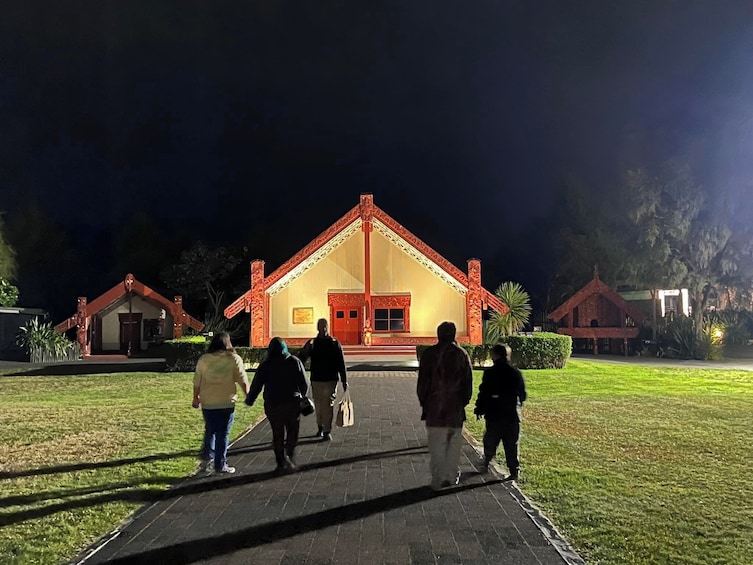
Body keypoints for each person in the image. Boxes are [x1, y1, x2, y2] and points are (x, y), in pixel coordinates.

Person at [417, 321, 473, 491]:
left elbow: (422, 384)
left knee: (436, 446)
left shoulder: (428, 355)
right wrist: (463, 402)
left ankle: (438, 476)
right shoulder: (461, 355)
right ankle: (451, 475)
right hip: (454, 408)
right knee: (453, 445)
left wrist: (424, 403)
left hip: (434, 409)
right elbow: (468, 384)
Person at [246, 337, 309, 473]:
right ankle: (290, 455)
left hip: (273, 404)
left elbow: (257, 384)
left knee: (277, 433)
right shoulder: (294, 362)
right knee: (293, 431)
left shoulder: (266, 365)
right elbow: (304, 382)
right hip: (292, 403)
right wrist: (303, 396)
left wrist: (250, 399)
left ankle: (281, 461)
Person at [193, 332, 250, 475]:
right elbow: (242, 379)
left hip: (208, 402)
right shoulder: (234, 359)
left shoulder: (204, 359)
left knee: (210, 431)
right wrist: (248, 396)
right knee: (222, 434)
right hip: (226, 402)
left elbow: (197, 380)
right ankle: (220, 464)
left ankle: (206, 461)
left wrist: (196, 397)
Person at [474, 343, 527, 481]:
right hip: (511, 414)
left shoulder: (490, 373)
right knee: (511, 444)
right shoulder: (515, 373)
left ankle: (487, 461)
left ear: (495, 355)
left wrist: (479, 408)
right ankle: (514, 470)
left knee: (491, 439)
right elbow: (522, 394)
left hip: (494, 413)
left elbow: (484, 392)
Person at [298, 318, 348, 441]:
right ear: (317, 328)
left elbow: (341, 363)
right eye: (321, 326)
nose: (323, 328)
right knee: (319, 405)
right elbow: (301, 359)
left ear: (328, 327)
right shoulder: (312, 344)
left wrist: (344, 380)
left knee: (328, 405)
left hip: (331, 380)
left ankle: (326, 430)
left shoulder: (334, 343)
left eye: (325, 326)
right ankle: (320, 426)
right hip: (316, 379)